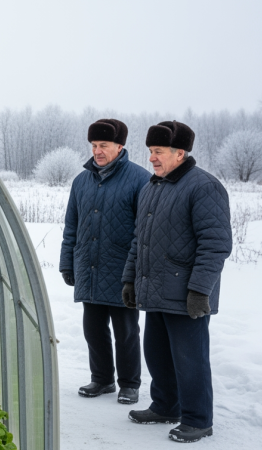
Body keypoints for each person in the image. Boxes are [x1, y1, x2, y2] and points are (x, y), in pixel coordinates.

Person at [122, 121, 231, 443]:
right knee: (156, 352)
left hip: (186, 295)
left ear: (179, 153)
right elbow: (139, 240)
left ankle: (198, 419)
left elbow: (215, 244)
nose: (152, 158)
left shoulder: (204, 187)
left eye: (158, 152)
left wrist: (200, 290)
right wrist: (130, 280)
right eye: (151, 152)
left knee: (189, 359)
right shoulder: (152, 187)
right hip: (155, 289)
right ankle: (166, 406)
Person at [60, 119, 151, 404]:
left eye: (104, 146)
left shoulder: (140, 179)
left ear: (120, 146)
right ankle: (101, 379)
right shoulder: (81, 181)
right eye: (94, 145)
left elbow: (143, 230)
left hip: (122, 268)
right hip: (89, 265)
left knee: (126, 330)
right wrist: (67, 261)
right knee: (93, 327)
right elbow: (71, 225)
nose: (97, 151)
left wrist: (135, 270)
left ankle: (129, 383)